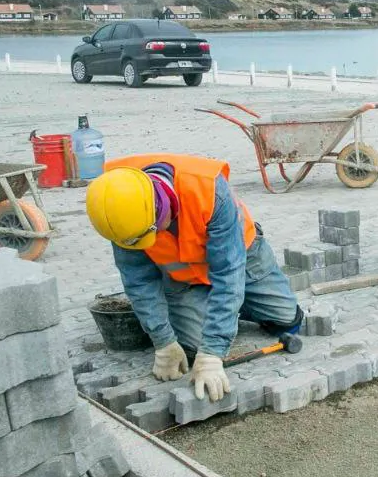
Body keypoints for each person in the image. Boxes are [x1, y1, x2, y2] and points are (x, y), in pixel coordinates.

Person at [85, 154, 301, 402]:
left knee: (288, 320)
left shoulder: (208, 190)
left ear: (162, 206)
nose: (151, 243)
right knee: (191, 349)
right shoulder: (115, 210)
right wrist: (163, 342)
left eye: (151, 233)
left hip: (242, 260)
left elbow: (228, 274)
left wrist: (213, 353)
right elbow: (139, 282)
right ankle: (217, 311)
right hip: (185, 279)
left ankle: (232, 309)